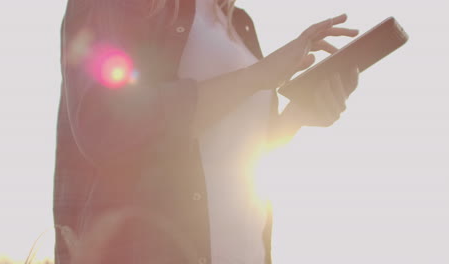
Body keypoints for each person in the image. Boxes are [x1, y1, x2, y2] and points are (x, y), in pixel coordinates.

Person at [54, 0, 359, 263]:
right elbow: (104, 125)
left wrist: (297, 117)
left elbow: (232, 151)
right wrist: (259, 76)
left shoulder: (239, 24)